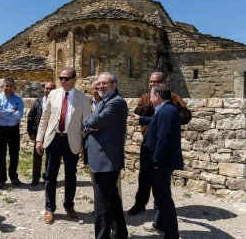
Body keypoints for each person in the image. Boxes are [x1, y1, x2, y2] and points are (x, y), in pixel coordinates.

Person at [128, 71, 190, 215]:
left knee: (161, 182)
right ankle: (140, 204)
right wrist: (152, 103)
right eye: (151, 82)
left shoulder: (173, 98)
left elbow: (186, 115)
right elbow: (138, 112)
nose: (152, 84)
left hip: (163, 144)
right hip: (148, 142)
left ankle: (160, 214)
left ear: (163, 83)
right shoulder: (146, 97)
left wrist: (170, 119)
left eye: (156, 82)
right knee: (143, 177)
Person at [35, 67, 91, 224]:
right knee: (50, 175)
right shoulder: (52, 94)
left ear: (74, 79)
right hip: (53, 139)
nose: (63, 81)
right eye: (61, 78)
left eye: (67, 78)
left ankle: (69, 205)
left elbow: (86, 124)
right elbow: (44, 119)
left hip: (71, 141)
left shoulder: (83, 98)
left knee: (70, 176)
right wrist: (39, 140)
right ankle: (49, 208)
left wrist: (85, 148)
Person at [83, 72, 128, 239]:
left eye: (104, 83)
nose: (100, 86)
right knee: (113, 199)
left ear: (115, 84)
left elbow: (94, 121)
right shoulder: (105, 101)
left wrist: (90, 123)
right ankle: (120, 233)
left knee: (102, 205)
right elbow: (90, 120)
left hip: (106, 160)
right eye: (98, 83)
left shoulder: (117, 102)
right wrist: (90, 123)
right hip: (102, 160)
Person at [141, 84, 183, 238]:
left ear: (157, 96)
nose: (150, 100)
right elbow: (155, 123)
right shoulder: (167, 109)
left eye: (151, 96)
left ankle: (171, 235)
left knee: (164, 200)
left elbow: (163, 140)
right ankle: (163, 226)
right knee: (162, 197)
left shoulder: (166, 111)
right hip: (164, 162)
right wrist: (140, 118)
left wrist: (156, 161)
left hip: (162, 163)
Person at [0, 77, 24, 189]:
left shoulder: (18, 100)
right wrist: (11, 112)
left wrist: (4, 113)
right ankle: (1, 179)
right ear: (3, 86)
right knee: (1, 155)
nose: (9, 88)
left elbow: (19, 115)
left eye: (11, 86)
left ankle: (14, 177)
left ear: (14, 87)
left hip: (13, 130)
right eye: (7, 86)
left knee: (14, 154)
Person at [27, 81, 56, 186]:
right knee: (37, 155)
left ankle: (47, 177)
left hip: (52, 133)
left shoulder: (58, 101)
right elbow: (30, 116)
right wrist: (30, 132)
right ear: (44, 89)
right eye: (47, 88)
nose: (49, 90)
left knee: (50, 156)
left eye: (51, 88)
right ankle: (35, 177)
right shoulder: (38, 101)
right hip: (39, 132)